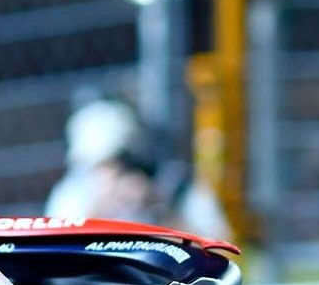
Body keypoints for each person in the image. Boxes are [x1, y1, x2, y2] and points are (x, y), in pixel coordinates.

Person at [44, 98, 234, 240]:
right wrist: (97, 212)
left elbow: (220, 248)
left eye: (116, 163)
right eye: (97, 165)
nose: (107, 174)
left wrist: (159, 208)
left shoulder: (176, 186)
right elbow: (55, 257)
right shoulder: (74, 192)